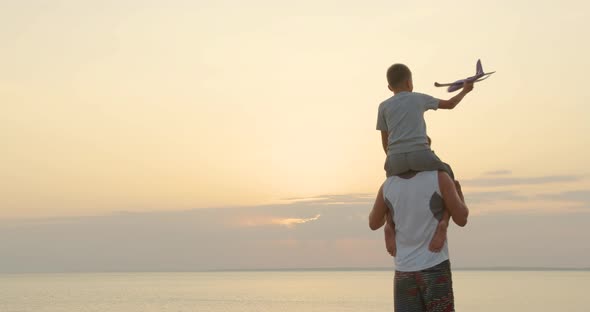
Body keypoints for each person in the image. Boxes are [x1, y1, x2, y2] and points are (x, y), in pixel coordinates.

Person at [376, 63, 474, 253]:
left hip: (394, 159)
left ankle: (390, 226)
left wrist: (396, 161)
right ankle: (443, 224)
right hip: (421, 154)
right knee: (447, 173)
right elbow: (450, 104)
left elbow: (385, 143)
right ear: (409, 82)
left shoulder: (383, 106)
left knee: (389, 193)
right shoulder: (418, 98)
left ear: (389, 87)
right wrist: (466, 90)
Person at [369, 170, 469, 312]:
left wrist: (389, 219)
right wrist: (458, 192)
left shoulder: (388, 185)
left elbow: (373, 223)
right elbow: (461, 219)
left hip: (404, 268)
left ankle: (390, 224)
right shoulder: (439, 177)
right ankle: (443, 222)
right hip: (434, 263)